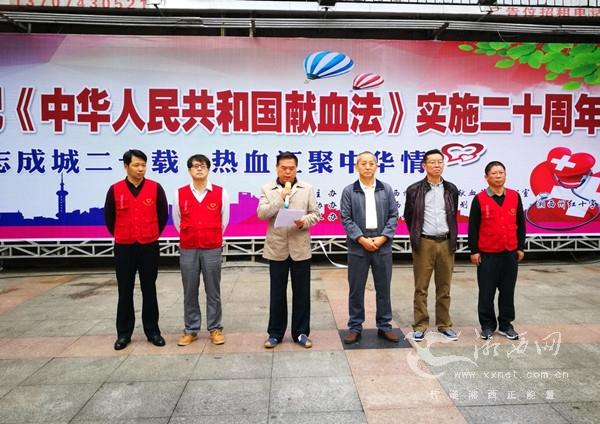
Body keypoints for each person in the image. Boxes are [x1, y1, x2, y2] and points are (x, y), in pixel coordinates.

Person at [104, 149, 168, 350]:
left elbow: (163, 215)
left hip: (149, 246)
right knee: (125, 290)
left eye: (143, 165)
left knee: (149, 288)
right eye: (136, 165)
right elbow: (109, 218)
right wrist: (123, 233)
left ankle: (153, 331)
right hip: (124, 247)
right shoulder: (115, 190)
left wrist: (150, 233)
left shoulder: (155, 188)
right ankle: (124, 334)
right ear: (126, 166)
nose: (141, 169)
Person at [257, 151, 321, 349]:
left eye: (291, 168)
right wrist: (280, 198)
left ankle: (300, 332)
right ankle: (275, 334)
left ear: (296, 169)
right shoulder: (268, 189)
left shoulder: (306, 188)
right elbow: (262, 213)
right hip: (277, 248)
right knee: (277, 293)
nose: (287, 172)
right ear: (277, 168)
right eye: (284, 168)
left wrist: (304, 221)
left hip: (300, 248)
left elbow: (315, 214)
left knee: (302, 293)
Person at [340, 151, 400, 344]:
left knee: (383, 288)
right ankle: (355, 327)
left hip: (382, 246)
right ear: (356, 167)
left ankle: (384, 326)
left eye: (371, 163)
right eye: (363, 163)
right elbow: (346, 218)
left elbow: (393, 216)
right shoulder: (349, 191)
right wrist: (361, 238)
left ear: (376, 166)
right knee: (356, 289)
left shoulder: (386, 189)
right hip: (358, 247)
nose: (367, 167)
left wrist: (383, 238)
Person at [172, 154, 230, 347]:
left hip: (212, 247)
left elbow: (224, 221)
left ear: (208, 169)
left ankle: (215, 328)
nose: (199, 169)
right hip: (188, 248)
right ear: (189, 170)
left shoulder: (220, 193)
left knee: (213, 290)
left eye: (203, 166)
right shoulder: (179, 193)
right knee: (189, 290)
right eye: (195, 166)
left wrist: (210, 235)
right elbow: (177, 221)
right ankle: (191, 329)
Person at [404, 149, 459, 342]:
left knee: (444, 287)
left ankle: (444, 325)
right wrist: (417, 236)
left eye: (440, 162)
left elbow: (453, 214)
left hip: (446, 242)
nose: (437, 165)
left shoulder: (451, 189)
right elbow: (409, 216)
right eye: (433, 162)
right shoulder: (414, 190)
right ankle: (420, 325)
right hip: (424, 243)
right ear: (424, 165)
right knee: (421, 287)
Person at [468, 161, 525, 341]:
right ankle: (487, 326)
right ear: (486, 177)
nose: (498, 176)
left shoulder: (515, 196)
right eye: (494, 173)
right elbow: (473, 227)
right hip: (487, 254)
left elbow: (521, 223)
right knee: (486, 292)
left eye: (501, 172)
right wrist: (474, 251)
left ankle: (506, 325)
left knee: (507, 291)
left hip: (510, 253)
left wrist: (520, 247)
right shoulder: (479, 199)